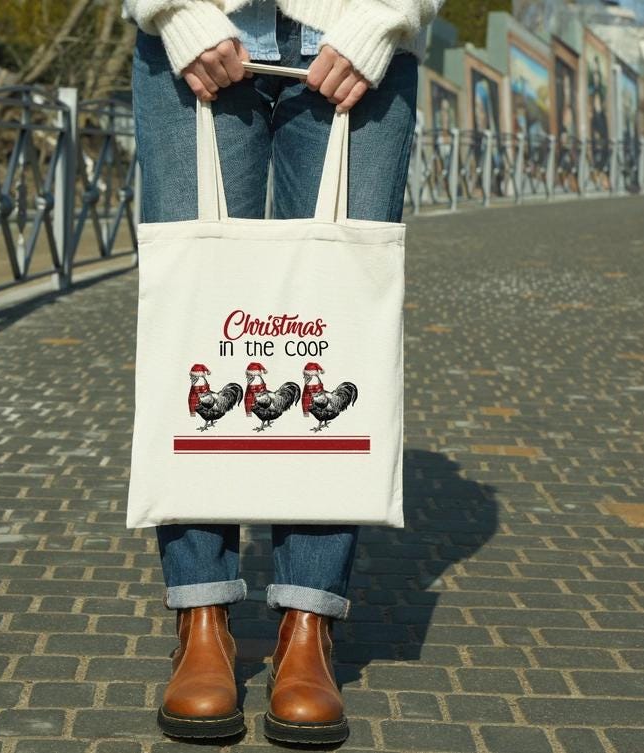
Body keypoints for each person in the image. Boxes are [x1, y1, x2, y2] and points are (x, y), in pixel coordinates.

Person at [123, 0, 443, 745]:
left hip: (358, 39)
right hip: (192, 34)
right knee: (194, 322)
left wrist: (384, 18)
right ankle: (200, 618)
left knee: (333, 332)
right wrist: (171, 12)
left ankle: (310, 624)